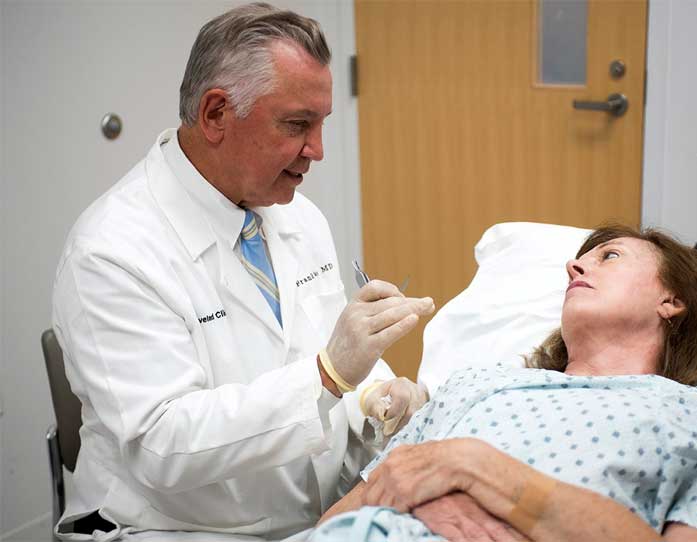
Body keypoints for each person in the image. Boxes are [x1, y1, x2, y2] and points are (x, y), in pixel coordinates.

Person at [51, 4, 434, 541]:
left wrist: (378, 396)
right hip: (177, 527)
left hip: (306, 513)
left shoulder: (295, 214)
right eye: (298, 124)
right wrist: (329, 375)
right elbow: (162, 446)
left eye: (322, 123)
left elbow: (325, 357)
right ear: (215, 115)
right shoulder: (112, 252)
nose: (317, 151)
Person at [315, 225, 697, 542]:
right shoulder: (476, 386)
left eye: (609, 256)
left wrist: (478, 472)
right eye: (580, 260)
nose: (575, 266)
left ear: (672, 300)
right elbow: (330, 525)